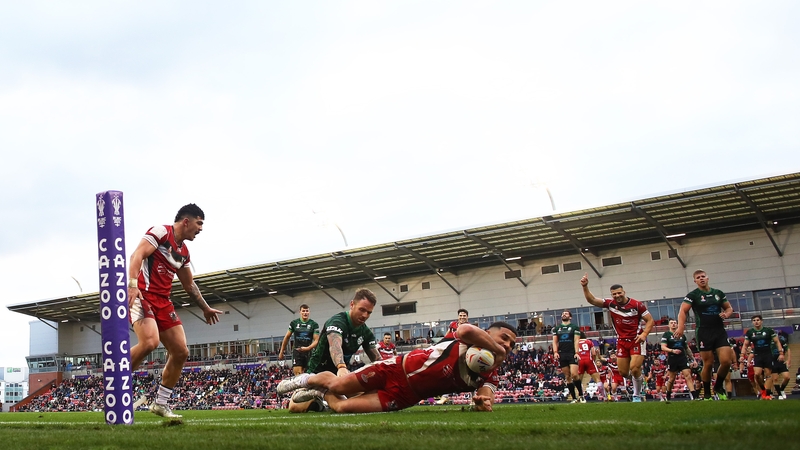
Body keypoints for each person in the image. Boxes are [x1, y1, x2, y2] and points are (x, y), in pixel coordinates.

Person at [278, 322, 517, 413]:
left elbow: (487, 394)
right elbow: (465, 330)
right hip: (395, 369)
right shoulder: (469, 340)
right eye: (504, 337)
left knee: (341, 406)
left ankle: (321, 391)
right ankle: (305, 380)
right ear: (488, 334)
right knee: (340, 383)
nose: (507, 344)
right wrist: (496, 350)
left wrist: (483, 403)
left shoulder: (491, 372)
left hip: (405, 396)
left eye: (511, 344)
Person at [127, 203, 222, 419]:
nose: (200, 229)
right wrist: (132, 285)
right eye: (199, 223)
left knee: (181, 351)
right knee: (150, 342)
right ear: (186, 221)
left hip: (163, 302)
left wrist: (205, 308)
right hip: (142, 295)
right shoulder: (161, 233)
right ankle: (115, 378)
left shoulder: (184, 252)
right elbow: (137, 255)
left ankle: (160, 403)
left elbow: (190, 285)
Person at [284, 288, 381, 413]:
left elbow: (378, 360)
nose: (365, 315)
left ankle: (324, 400)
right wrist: (341, 366)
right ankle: (319, 393)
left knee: (371, 394)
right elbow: (335, 345)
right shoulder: (337, 321)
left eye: (369, 312)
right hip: (317, 374)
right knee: (294, 407)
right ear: (352, 304)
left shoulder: (366, 333)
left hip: (340, 378)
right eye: (362, 310)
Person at [580, 273, 654, 402]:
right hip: (621, 341)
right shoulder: (610, 304)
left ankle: (636, 395)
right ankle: (639, 379)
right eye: (614, 294)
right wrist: (585, 286)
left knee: (635, 368)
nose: (617, 296)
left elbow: (650, 321)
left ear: (623, 292)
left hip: (636, 340)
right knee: (624, 372)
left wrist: (644, 334)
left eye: (619, 293)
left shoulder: (637, 305)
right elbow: (591, 300)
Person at [674, 270, 736, 401]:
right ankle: (707, 393)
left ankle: (718, 386)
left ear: (707, 278)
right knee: (708, 364)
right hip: (703, 332)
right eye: (698, 277)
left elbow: (729, 308)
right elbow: (683, 310)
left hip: (719, 331)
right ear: (695, 281)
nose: (701, 279)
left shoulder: (718, 293)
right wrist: (680, 327)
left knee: (726, 361)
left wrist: (727, 314)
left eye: (703, 276)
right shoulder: (693, 295)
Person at [741, 315, 784, 400]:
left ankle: (767, 394)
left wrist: (781, 353)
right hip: (758, 355)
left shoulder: (768, 331)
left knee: (768, 374)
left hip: (768, 354)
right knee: (757, 374)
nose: (756, 322)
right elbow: (745, 344)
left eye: (758, 320)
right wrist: (742, 355)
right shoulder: (750, 332)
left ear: (761, 321)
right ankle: (763, 390)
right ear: (752, 322)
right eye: (754, 320)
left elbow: (777, 342)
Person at [660, 318, 698, 400]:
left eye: (675, 323)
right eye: (671, 323)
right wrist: (672, 350)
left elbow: (687, 348)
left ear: (677, 324)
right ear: (669, 325)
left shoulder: (682, 335)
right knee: (672, 378)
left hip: (682, 358)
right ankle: (668, 393)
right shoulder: (666, 335)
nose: (673, 324)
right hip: (672, 358)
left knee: (688, 375)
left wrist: (693, 359)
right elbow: (663, 347)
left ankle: (694, 396)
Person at [278, 304, 320, 375]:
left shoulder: (314, 324)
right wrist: (281, 352)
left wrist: (308, 348)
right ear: (300, 312)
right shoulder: (294, 323)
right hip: (297, 352)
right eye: (303, 311)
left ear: (309, 312)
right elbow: (287, 337)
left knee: (309, 376)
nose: (305, 313)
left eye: (307, 311)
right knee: (298, 376)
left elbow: (316, 340)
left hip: (309, 352)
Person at [552, 311, 582, 403]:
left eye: (566, 313)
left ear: (570, 317)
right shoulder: (557, 329)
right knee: (567, 376)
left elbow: (576, 340)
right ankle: (574, 398)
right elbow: (554, 342)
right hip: (562, 353)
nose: (564, 315)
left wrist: (577, 352)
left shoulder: (574, 327)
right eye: (563, 314)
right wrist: (555, 352)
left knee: (574, 374)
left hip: (572, 353)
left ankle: (581, 395)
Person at [576, 334, 605, 401]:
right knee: (598, 379)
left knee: (579, 381)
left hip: (580, 361)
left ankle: (581, 397)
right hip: (589, 360)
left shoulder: (576, 342)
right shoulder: (589, 342)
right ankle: (604, 396)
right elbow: (594, 353)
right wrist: (593, 360)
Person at [771, 330, 791, 399]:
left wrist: (788, 360)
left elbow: (788, 349)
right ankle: (779, 394)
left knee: (787, 377)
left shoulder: (781, 340)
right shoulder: (768, 342)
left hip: (781, 360)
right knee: (775, 378)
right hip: (772, 361)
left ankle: (782, 389)